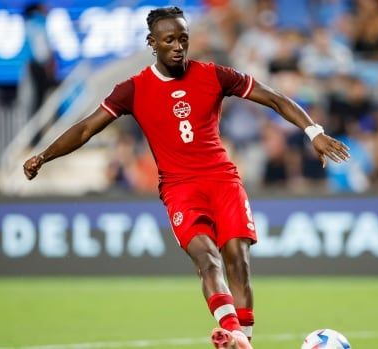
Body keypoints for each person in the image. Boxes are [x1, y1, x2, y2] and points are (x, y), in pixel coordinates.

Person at [22, 7, 349, 349]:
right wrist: (44, 156)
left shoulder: (215, 75)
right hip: (180, 189)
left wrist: (314, 132)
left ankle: (240, 338)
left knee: (237, 260)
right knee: (206, 258)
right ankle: (237, 336)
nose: (178, 46)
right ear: (152, 43)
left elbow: (274, 98)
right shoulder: (132, 89)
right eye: (169, 40)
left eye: (183, 39)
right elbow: (87, 127)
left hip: (222, 179)